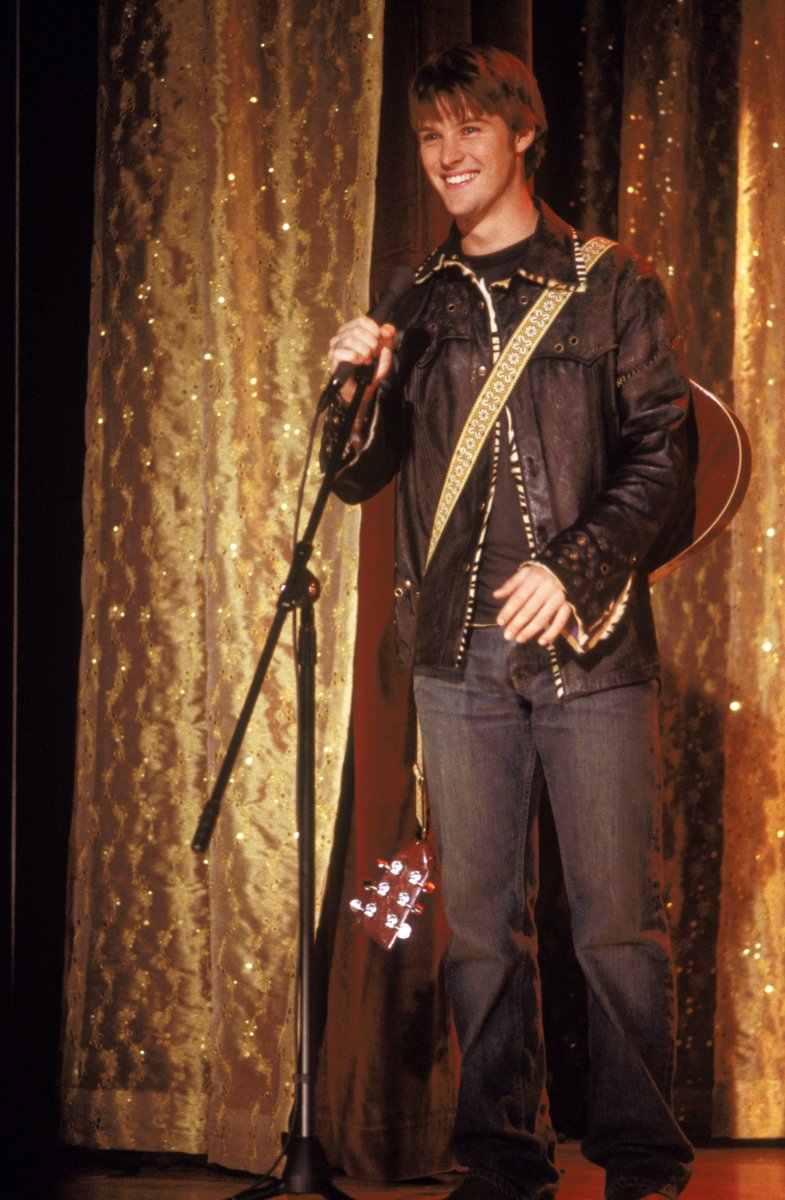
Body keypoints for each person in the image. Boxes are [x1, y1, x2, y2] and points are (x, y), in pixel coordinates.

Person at [322, 44, 695, 1200]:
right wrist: (346, 388)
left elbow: (663, 453)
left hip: (592, 646)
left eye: (467, 129)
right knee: (479, 929)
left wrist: (574, 569)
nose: (446, 155)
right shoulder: (415, 296)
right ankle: (499, 1160)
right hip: (457, 656)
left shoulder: (607, 282)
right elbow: (356, 476)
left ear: (521, 133)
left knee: (615, 925)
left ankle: (641, 1165)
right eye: (429, 135)